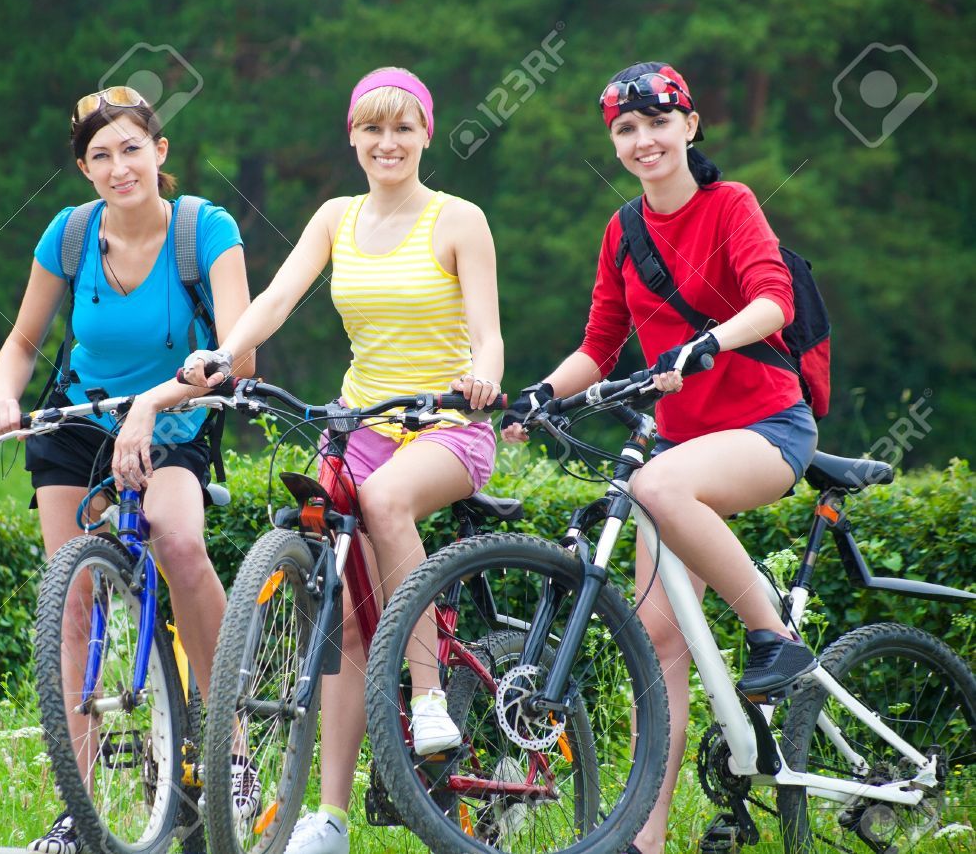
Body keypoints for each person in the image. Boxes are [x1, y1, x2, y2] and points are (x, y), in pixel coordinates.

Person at [182, 67, 504, 854]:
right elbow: (277, 300)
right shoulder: (336, 217)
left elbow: (490, 335)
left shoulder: (459, 219)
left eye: (402, 128)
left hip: (446, 428)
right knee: (342, 617)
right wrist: (225, 354)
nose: (386, 143)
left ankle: (428, 695)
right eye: (371, 129)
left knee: (389, 501)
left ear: (427, 134)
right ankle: (328, 817)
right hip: (360, 424)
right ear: (352, 138)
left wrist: (483, 378)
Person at [504, 62, 818, 854]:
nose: (644, 141)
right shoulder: (623, 231)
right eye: (625, 129)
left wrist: (708, 340)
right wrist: (538, 395)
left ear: (690, 125)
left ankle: (773, 634)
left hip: (769, 428)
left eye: (656, 123)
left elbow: (772, 300)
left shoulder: (732, 205)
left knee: (652, 482)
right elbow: (599, 347)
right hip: (680, 453)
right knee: (658, 643)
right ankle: (643, 842)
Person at [0, 85, 253, 854]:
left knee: (176, 539)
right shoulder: (69, 235)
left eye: (132, 148)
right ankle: (81, 805)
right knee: (70, 593)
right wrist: (4, 398)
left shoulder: (205, 228)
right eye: (100, 155)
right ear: (83, 169)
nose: (118, 166)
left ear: (160, 153)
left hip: (177, 415)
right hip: (79, 421)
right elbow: (24, 342)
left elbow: (240, 355)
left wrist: (152, 406)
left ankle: (230, 751)